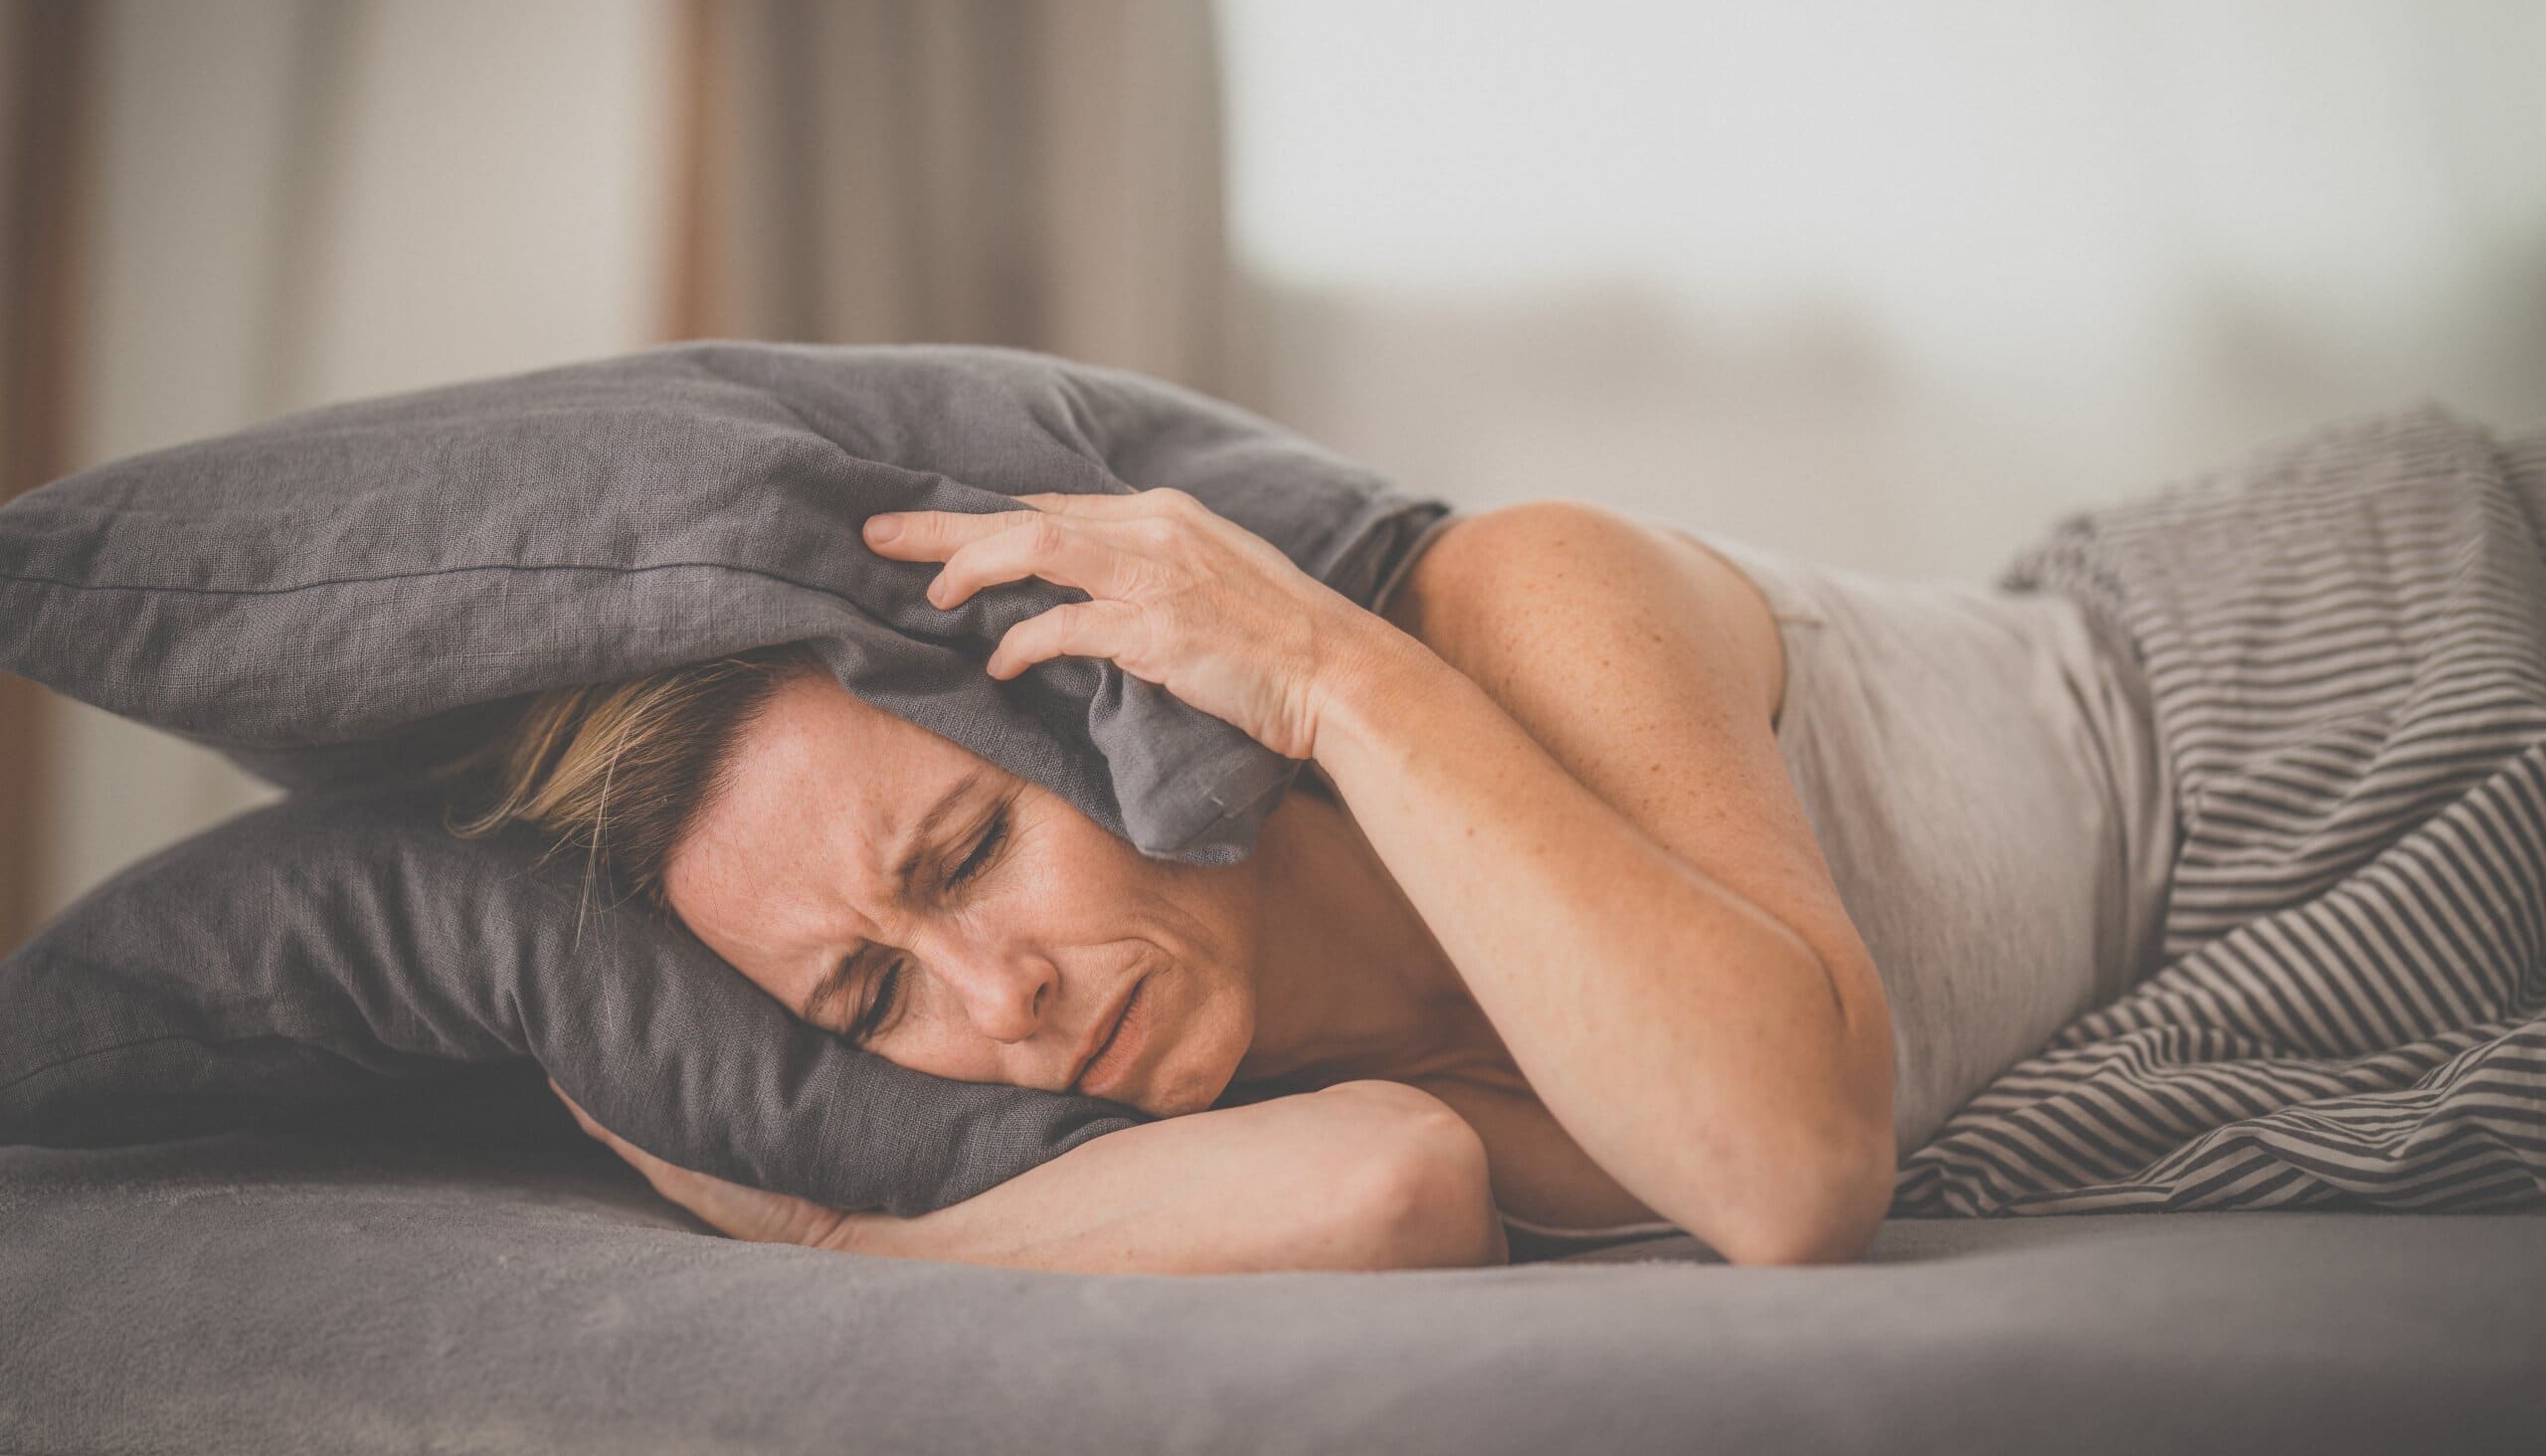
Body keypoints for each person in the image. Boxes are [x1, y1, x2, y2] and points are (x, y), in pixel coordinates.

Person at [449, 486, 2176, 1274]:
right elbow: (1391, 1187)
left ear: (1103, 705)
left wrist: (1325, 669)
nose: (1001, 1004)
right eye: (874, 995)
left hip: (2294, 714)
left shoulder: (1522, 601)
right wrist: (849, 1230)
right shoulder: (1169, 1083)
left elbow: (1787, 1169)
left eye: (971, 852)